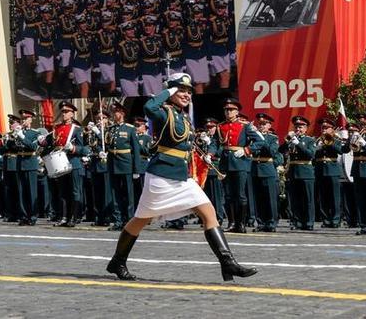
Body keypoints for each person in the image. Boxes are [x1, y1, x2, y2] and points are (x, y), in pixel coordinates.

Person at [106, 73, 257, 282]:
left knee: (208, 212)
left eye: (188, 91)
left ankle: (227, 263)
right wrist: (168, 90)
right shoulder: (164, 112)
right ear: (171, 92)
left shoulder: (181, 116)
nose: (186, 94)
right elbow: (149, 107)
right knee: (141, 220)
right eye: (181, 90)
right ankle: (117, 261)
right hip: (161, 175)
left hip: (181, 176)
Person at [216, 98, 262, 233]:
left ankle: (241, 223)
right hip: (225, 163)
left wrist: (246, 150)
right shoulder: (221, 126)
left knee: (240, 195)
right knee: (228, 195)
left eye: (231, 110)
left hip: (240, 163)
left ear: (237, 112)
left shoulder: (245, 126)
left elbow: (260, 141)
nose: (228, 112)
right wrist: (210, 153)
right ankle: (231, 223)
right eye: (226, 110)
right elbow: (215, 143)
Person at [46, 102, 85, 227]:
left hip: (73, 162)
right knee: (63, 192)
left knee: (75, 191)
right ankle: (63, 217)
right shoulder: (57, 128)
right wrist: (43, 141)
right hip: (60, 162)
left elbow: (84, 149)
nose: (64, 114)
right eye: (62, 111)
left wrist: (73, 148)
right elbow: (52, 144)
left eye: (66, 112)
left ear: (72, 114)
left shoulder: (77, 129)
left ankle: (74, 217)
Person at [107, 101, 138, 230]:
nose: (114, 114)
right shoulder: (111, 129)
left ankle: (129, 220)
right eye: (113, 112)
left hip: (126, 164)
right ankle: (118, 219)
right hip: (113, 163)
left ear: (122, 113)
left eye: (116, 112)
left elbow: (135, 150)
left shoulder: (130, 129)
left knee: (128, 194)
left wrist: (136, 169)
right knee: (116, 194)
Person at [248, 113, 281, 232]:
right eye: (260, 124)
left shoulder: (273, 138)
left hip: (267, 169)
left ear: (269, 125)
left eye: (264, 124)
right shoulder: (253, 137)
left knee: (270, 198)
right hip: (255, 169)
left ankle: (271, 222)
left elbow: (272, 152)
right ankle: (261, 222)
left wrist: (261, 139)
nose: (261, 126)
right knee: (258, 198)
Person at [314, 117, 344, 228]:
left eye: (326, 128)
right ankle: (326, 219)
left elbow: (340, 151)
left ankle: (336, 219)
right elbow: (313, 155)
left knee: (335, 196)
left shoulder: (336, 140)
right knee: (323, 196)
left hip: (332, 170)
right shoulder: (317, 140)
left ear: (332, 129)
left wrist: (330, 142)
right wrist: (318, 147)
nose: (324, 130)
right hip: (320, 170)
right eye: (323, 127)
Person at [344, 115, 366, 235]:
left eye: (364, 124)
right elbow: (344, 150)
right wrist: (349, 140)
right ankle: (364, 225)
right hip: (357, 169)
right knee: (361, 199)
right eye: (361, 125)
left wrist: (365, 144)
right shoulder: (358, 136)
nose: (362, 127)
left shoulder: (363, 138)